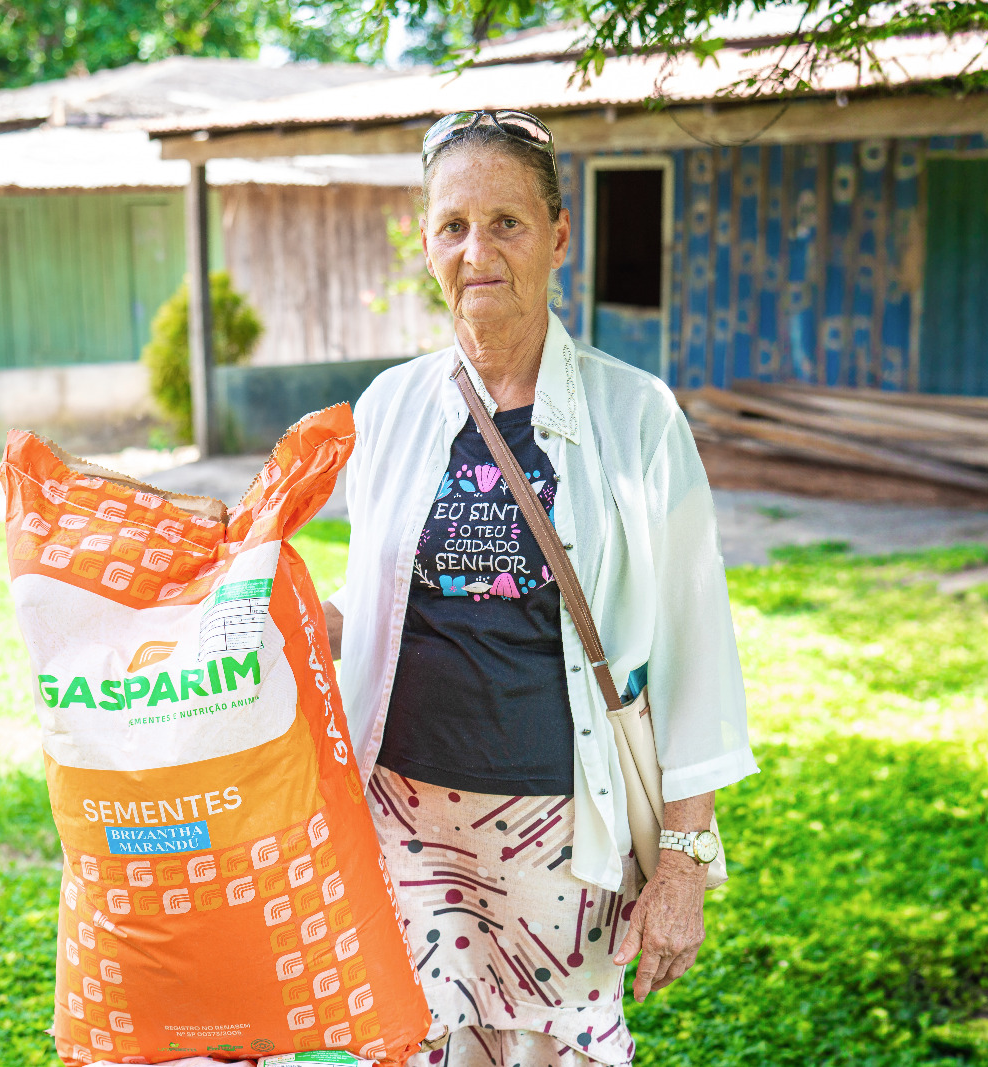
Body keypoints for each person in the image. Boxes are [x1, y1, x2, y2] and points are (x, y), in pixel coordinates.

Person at [323, 110, 757, 1067]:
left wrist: (683, 861)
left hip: (565, 832)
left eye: (507, 223)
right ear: (429, 241)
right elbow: (380, 609)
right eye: (452, 226)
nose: (477, 251)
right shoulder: (389, 408)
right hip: (403, 826)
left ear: (560, 235)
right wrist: (271, 612)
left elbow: (694, 644)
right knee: (415, 1046)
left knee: (556, 1050)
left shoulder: (635, 416)